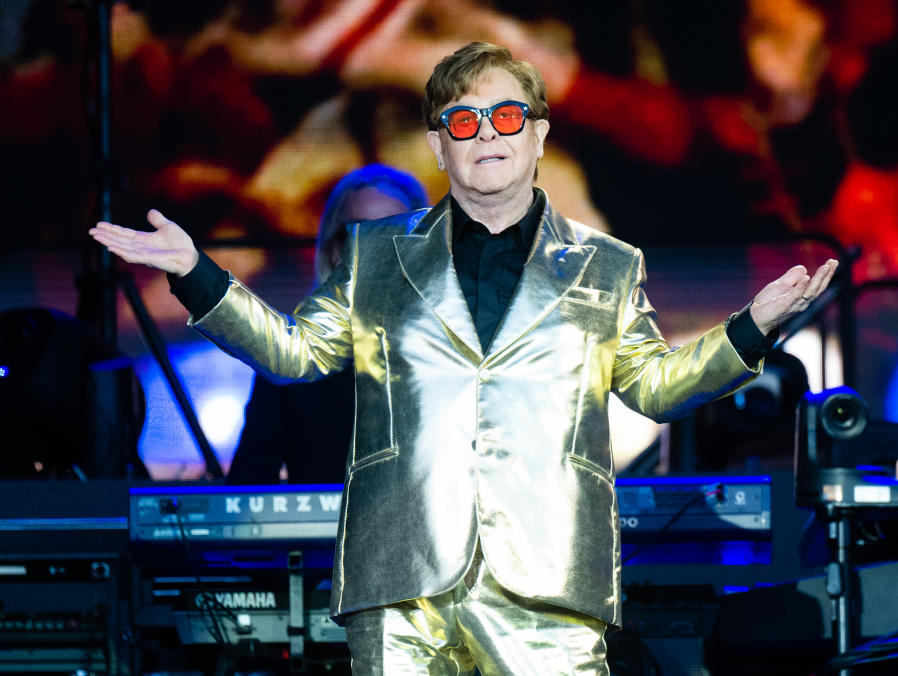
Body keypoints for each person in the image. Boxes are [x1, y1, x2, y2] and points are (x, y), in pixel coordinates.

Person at [91, 41, 837, 674]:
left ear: (539, 136)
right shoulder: (375, 256)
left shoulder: (606, 266)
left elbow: (654, 386)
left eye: (508, 116)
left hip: (548, 584)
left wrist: (753, 326)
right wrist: (194, 271)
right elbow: (293, 355)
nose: (488, 134)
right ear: (441, 147)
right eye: (464, 120)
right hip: (402, 584)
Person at [228, 164, 428, 484]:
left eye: (395, 232)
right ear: (336, 251)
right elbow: (247, 490)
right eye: (363, 231)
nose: (379, 247)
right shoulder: (290, 357)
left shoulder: (454, 353)